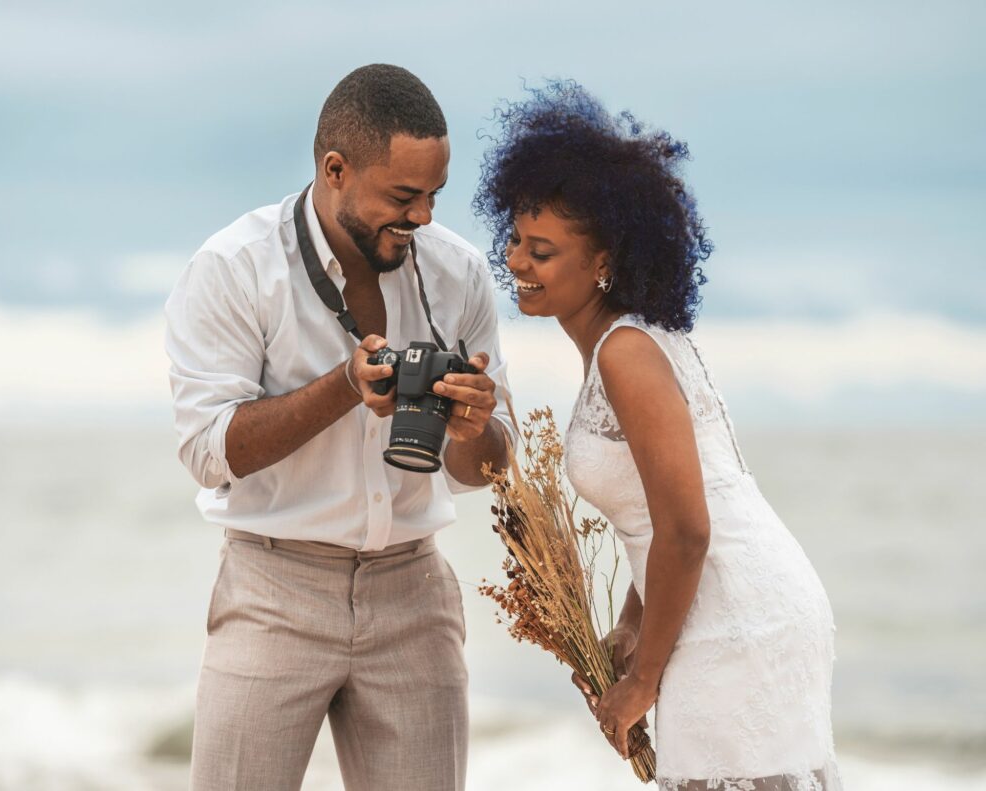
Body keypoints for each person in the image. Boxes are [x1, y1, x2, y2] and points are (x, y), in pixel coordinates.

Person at [472, 80, 842, 790]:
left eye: (542, 250)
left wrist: (643, 677)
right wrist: (632, 621)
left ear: (602, 259)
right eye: (516, 239)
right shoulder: (623, 345)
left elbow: (688, 529)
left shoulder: (626, 353)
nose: (516, 261)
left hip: (736, 620)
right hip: (732, 607)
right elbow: (665, 513)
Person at [165, 64, 514, 791]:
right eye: (403, 196)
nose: (423, 218)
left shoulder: (460, 273)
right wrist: (346, 387)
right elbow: (207, 451)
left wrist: (474, 424)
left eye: (434, 197)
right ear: (334, 170)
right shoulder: (233, 268)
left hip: (414, 591)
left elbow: (483, 468)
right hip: (272, 588)